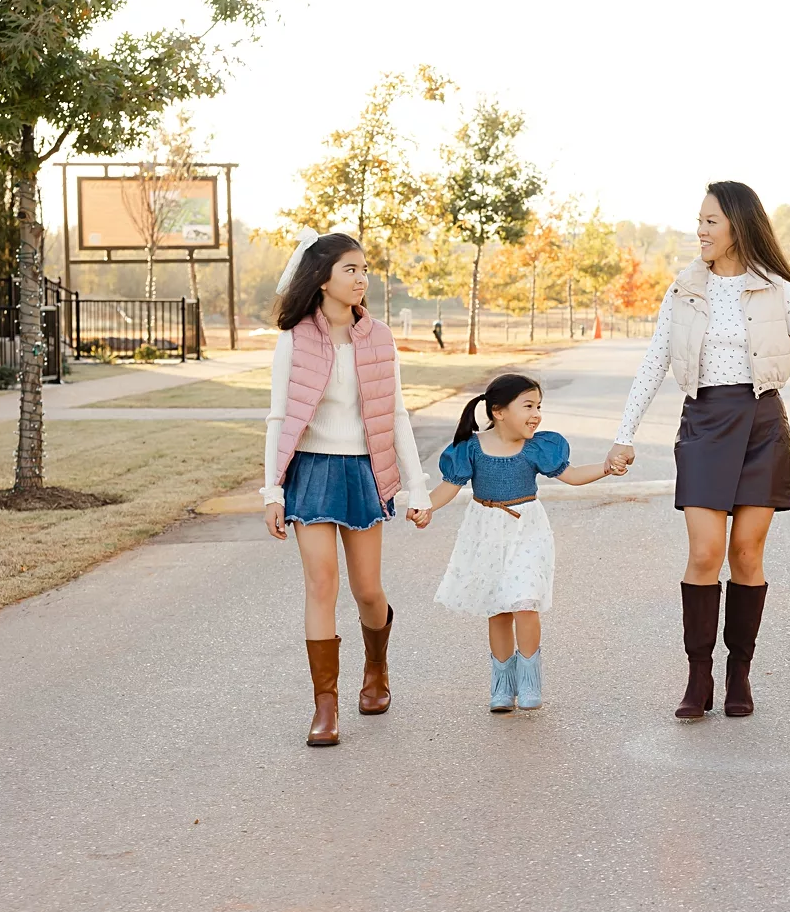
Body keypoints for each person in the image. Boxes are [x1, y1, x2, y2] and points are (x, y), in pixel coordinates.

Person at [606, 181, 790, 720]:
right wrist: (624, 435)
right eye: (698, 221)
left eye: (710, 222)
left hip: (762, 427)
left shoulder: (778, 291)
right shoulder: (683, 289)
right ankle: (699, 676)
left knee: (746, 552)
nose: (699, 231)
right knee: (704, 554)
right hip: (702, 424)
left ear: (738, 225)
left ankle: (739, 672)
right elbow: (654, 361)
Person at [261, 229, 432, 747]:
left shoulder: (378, 337)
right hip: (311, 470)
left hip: (363, 471)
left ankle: (376, 667)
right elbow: (277, 417)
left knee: (367, 591)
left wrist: (417, 490)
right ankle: (325, 706)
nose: (361, 279)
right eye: (350, 270)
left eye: (364, 269)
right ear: (323, 279)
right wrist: (272, 490)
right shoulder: (294, 340)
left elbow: (396, 414)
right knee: (321, 583)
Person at [420, 373, 619, 711]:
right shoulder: (470, 448)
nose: (537, 414)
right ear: (498, 411)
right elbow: (448, 488)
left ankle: (529, 683)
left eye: (539, 406)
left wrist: (605, 467)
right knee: (498, 610)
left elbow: (571, 476)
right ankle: (502, 686)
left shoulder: (536, 448)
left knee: (525, 603)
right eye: (528, 405)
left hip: (527, 529)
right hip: (485, 531)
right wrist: (425, 507)